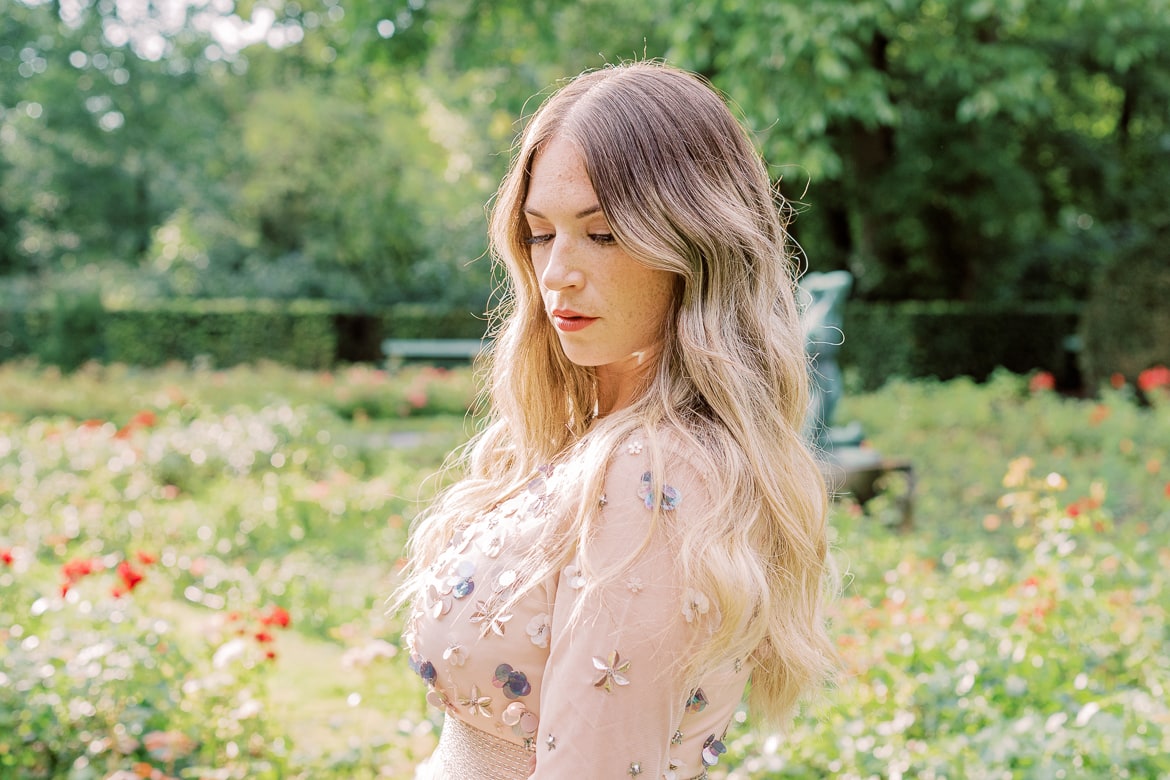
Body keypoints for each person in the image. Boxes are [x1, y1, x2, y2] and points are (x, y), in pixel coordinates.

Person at [394, 61, 837, 779]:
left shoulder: (656, 474)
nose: (557, 273)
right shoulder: (596, 441)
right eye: (541, 235)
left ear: (693, 245)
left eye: (602, 235)